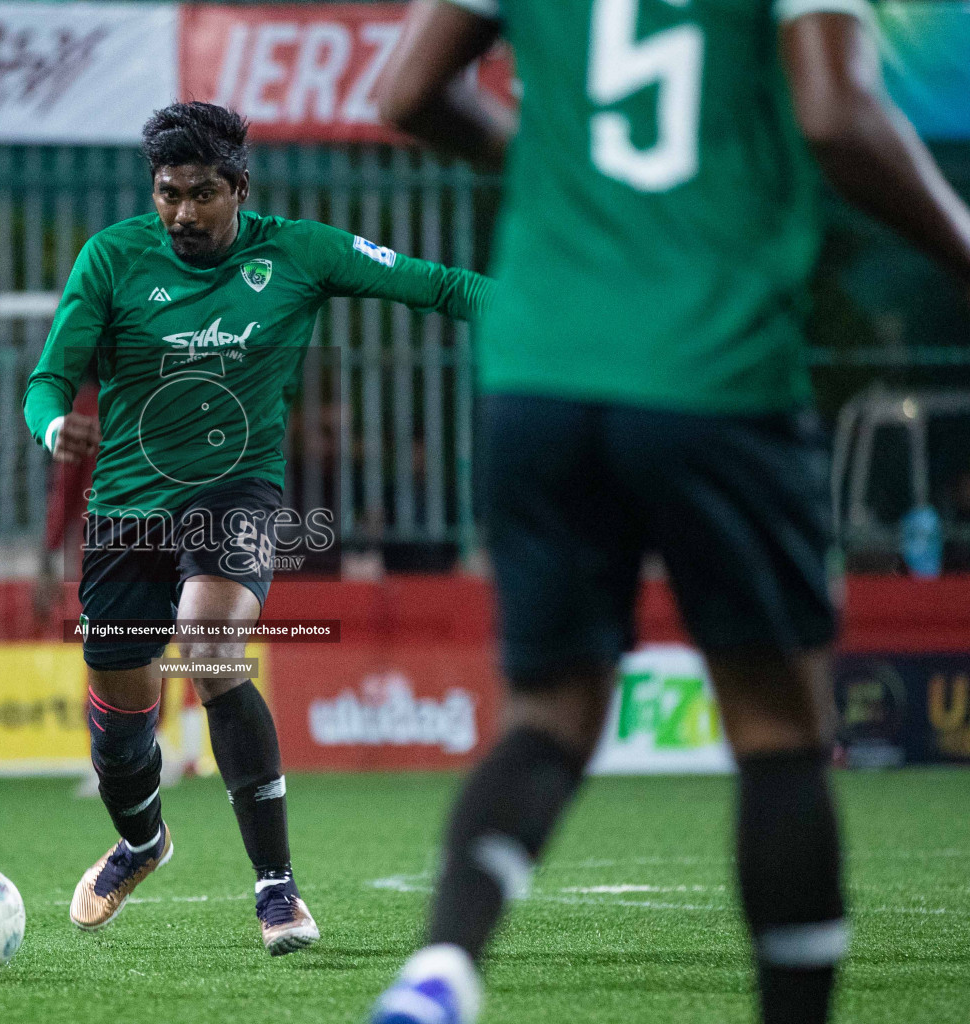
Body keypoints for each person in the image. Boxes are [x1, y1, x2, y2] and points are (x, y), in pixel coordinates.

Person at [368, 0, 970, 1021]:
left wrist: (561, 183)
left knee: (549, 716)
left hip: (540, 370)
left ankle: (440, 969)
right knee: (778, 723)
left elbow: (408, 94)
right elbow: (832, 112)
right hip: (714, 367)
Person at [24, 100, 494, 955]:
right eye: (169, 193)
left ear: (240, 187)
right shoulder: (113, 259)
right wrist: (56, 428)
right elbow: (47, 380)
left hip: (239, 495)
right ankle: (141, 843)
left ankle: (278, 890)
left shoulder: (300, 251)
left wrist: (561, 322)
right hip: (127, 512)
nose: (183, 213)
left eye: (203, 193)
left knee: (208, 646)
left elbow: (441, 286)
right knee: (123, 728)